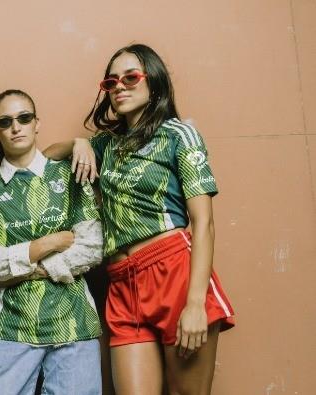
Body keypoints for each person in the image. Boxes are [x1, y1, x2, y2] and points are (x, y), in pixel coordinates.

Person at [44, 44, 235, 394]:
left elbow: (203, 223)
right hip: (121, 283)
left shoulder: (178, 134)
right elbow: (44, 158)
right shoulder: (107, 144)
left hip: (174, 275)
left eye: (130, 77)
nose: (119, 87)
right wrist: (78, 144)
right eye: (111, 82)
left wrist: (194, 305)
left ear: (154, 82)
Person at [0, 89, 103, 395]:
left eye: (24, 118)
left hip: (74, 323)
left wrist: (26, 266)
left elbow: (91, 247)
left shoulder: (70, 174)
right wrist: (47, 244)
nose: (16, 127)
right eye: (5, 121)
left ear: (36, 123)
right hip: (11, 326)